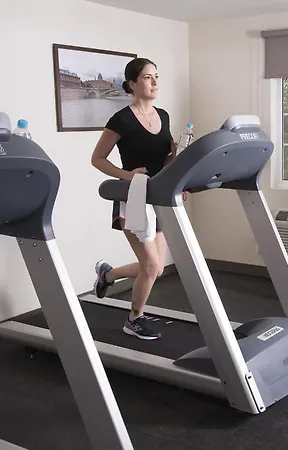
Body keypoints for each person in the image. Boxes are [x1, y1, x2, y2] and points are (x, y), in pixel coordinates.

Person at [91, 57, 177, 340]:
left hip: (157, 197)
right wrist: (126, 175)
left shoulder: (163, 116)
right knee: (151, 266)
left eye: (156, 77)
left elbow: (163, 161)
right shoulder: (122, 119)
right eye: (148, 78)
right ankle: (134, 318)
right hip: (132, 199)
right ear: (132, 84)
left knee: (156, 267)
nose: (154, 83)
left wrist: (174, 156)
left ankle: (108, 275)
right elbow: (98, 158)